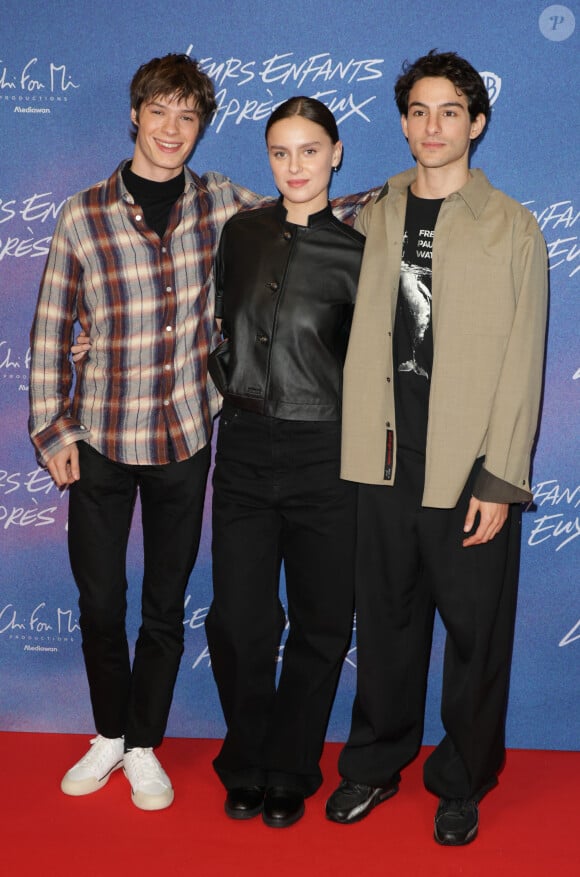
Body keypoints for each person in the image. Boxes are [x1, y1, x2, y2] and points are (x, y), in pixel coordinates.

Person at [28, 53, 265, 811]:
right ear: (136, 114)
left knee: (165, 605)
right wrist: (51, 428)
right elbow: (49, 333)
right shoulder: (82, 213)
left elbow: (307, 210)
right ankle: (107, 731)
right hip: (98, 438)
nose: (172, 128)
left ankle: (143, 743)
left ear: (201, 127)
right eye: (160, 111)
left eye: (188, 116)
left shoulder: (224, 202)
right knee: (100, 600)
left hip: (185, 439)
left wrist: (406, 192)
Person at [325, 51, 548, 845]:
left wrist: (501, 476)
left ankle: (462, 777)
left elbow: (523, 360)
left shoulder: (514, 227)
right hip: (382, 457)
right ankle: (375, 764)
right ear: (402, 121)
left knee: (474, 632)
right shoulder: (373, 209)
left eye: (449, 111)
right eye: (418, 110)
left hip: (469, 467)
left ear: (476, 122)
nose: (432, 125)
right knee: (384, 622)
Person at [204, 97, 365, 828]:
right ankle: (244, 761)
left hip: (324, 453)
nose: (294, 166)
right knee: (239, 620)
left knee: (322, 621)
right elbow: (218, 326)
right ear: (266, 158)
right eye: (279, 152)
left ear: (335, 154)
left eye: (308, 150)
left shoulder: (359, 255)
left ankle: (292, 766)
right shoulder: (240, 234)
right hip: (242, 447)